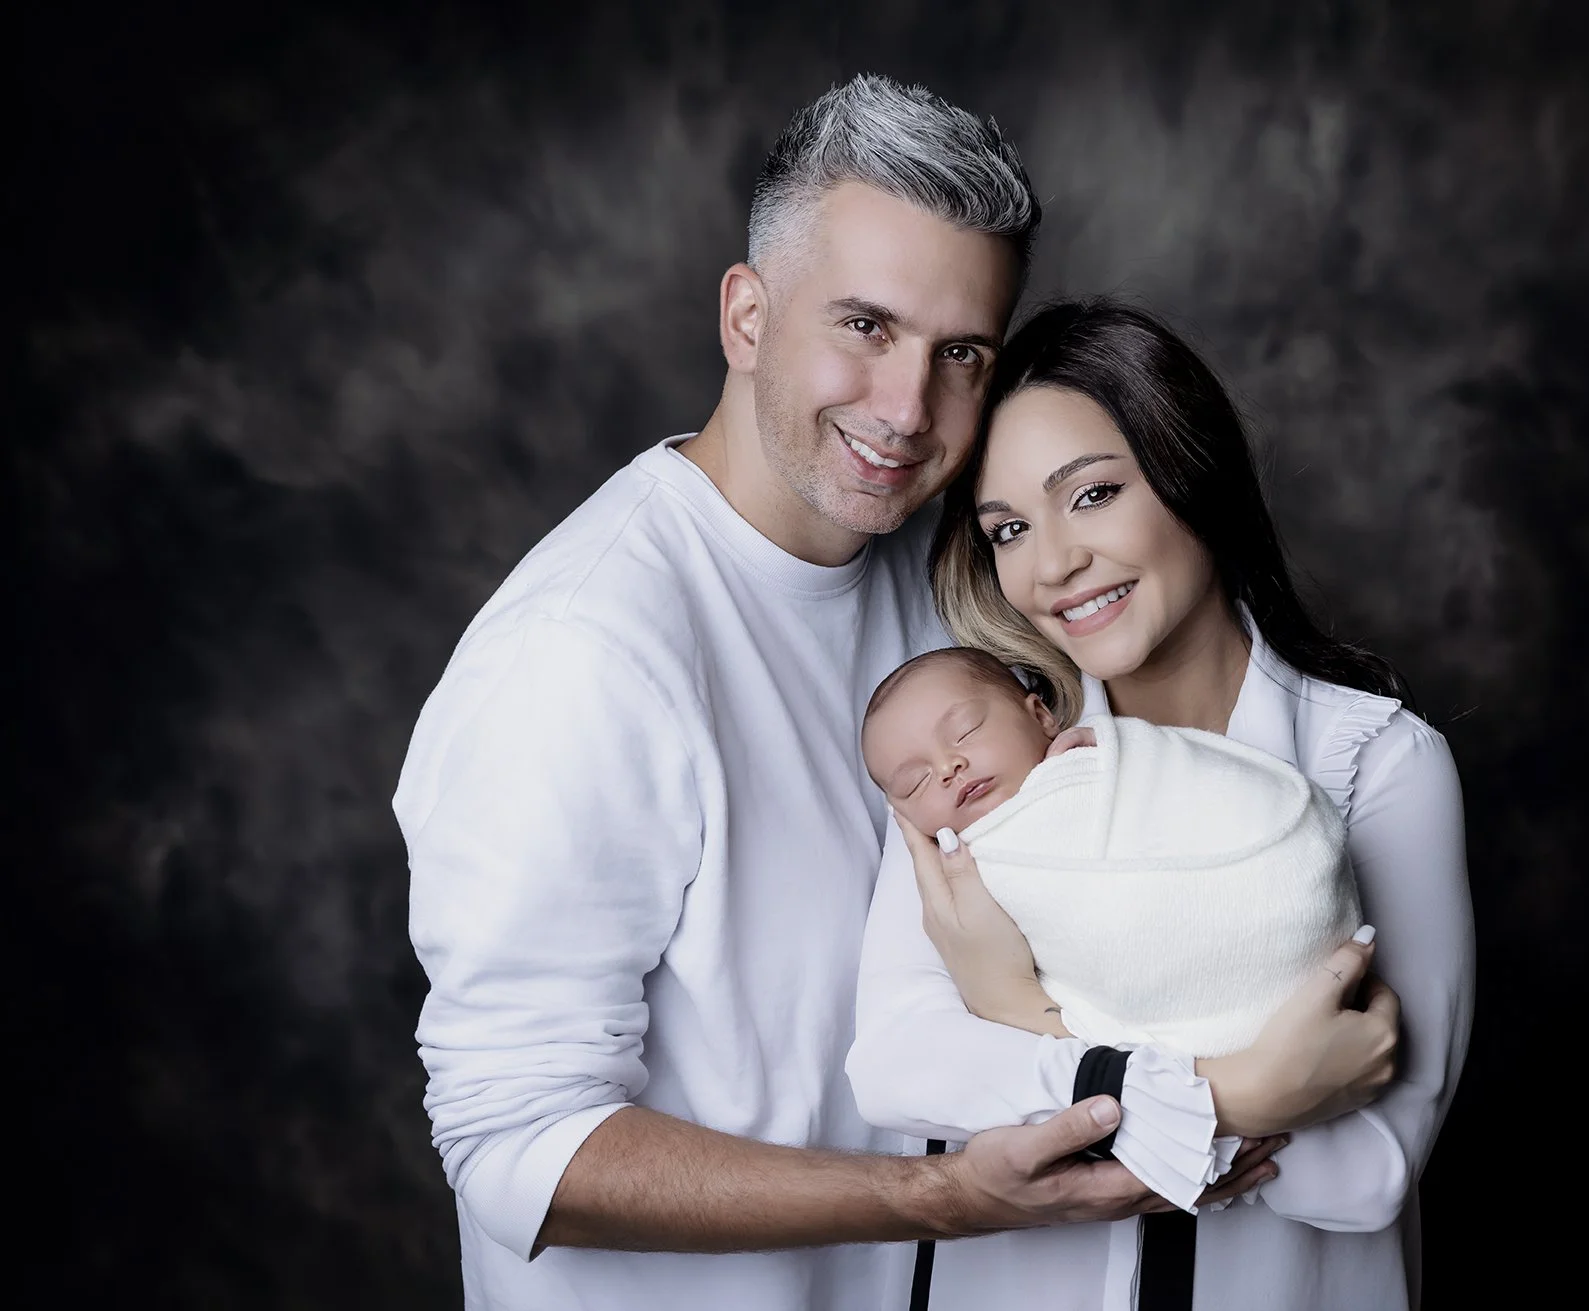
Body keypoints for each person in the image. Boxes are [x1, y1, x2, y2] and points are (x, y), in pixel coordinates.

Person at [394, 77, 1298, 1311]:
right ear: (747, 315)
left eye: (960, 353)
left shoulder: (953, 586)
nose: (906, 411)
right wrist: (946, 1200)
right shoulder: (579, 658)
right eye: (864, 327)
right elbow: (513, 1147)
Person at [847, 300, 1476, 1310]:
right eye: (1007, 528)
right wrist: (1250, 1094)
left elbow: (1365, 1175)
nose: (1050, 566)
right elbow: (895, 1068)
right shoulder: (973, 763)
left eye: (1091, 494)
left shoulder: (1373, 764)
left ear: (1194, 476)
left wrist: (1018, 1018)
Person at [860, 645, 1365, 1067]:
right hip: (1202, 1031)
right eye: (916, 781)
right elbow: (897, 1065)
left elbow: (1214, 784)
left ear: (1041, 716)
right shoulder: (955, 876)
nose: (949, 767)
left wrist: (1118, 747)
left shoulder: (1108, 760)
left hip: (1293, 923)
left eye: (966, 730)